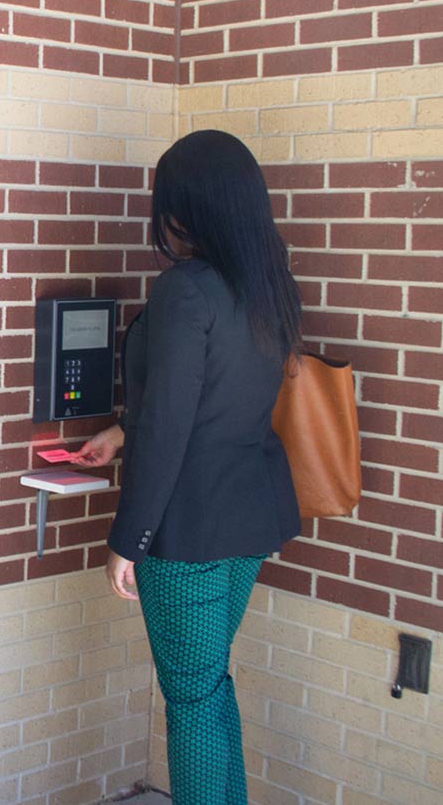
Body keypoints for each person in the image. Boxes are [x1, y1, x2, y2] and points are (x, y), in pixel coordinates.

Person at [73, 129, 302, 805]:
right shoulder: (268, 285)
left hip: (191, 529)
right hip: (251, 518)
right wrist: (120, 431)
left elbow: (173, 425)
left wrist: (128, 541)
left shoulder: (186, 290)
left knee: (192, 700)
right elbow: (214, 395)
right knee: (209, 683)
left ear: (190, 206)